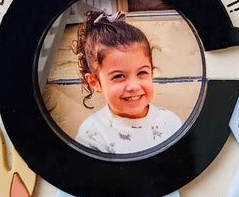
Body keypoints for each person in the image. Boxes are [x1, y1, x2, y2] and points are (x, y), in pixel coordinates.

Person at [72, 10, 182, 154]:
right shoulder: (93, 133)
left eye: (142, 73)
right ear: (95, 82)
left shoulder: (170, 123)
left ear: (152, 73)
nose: (133, 86)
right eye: (118, 76)